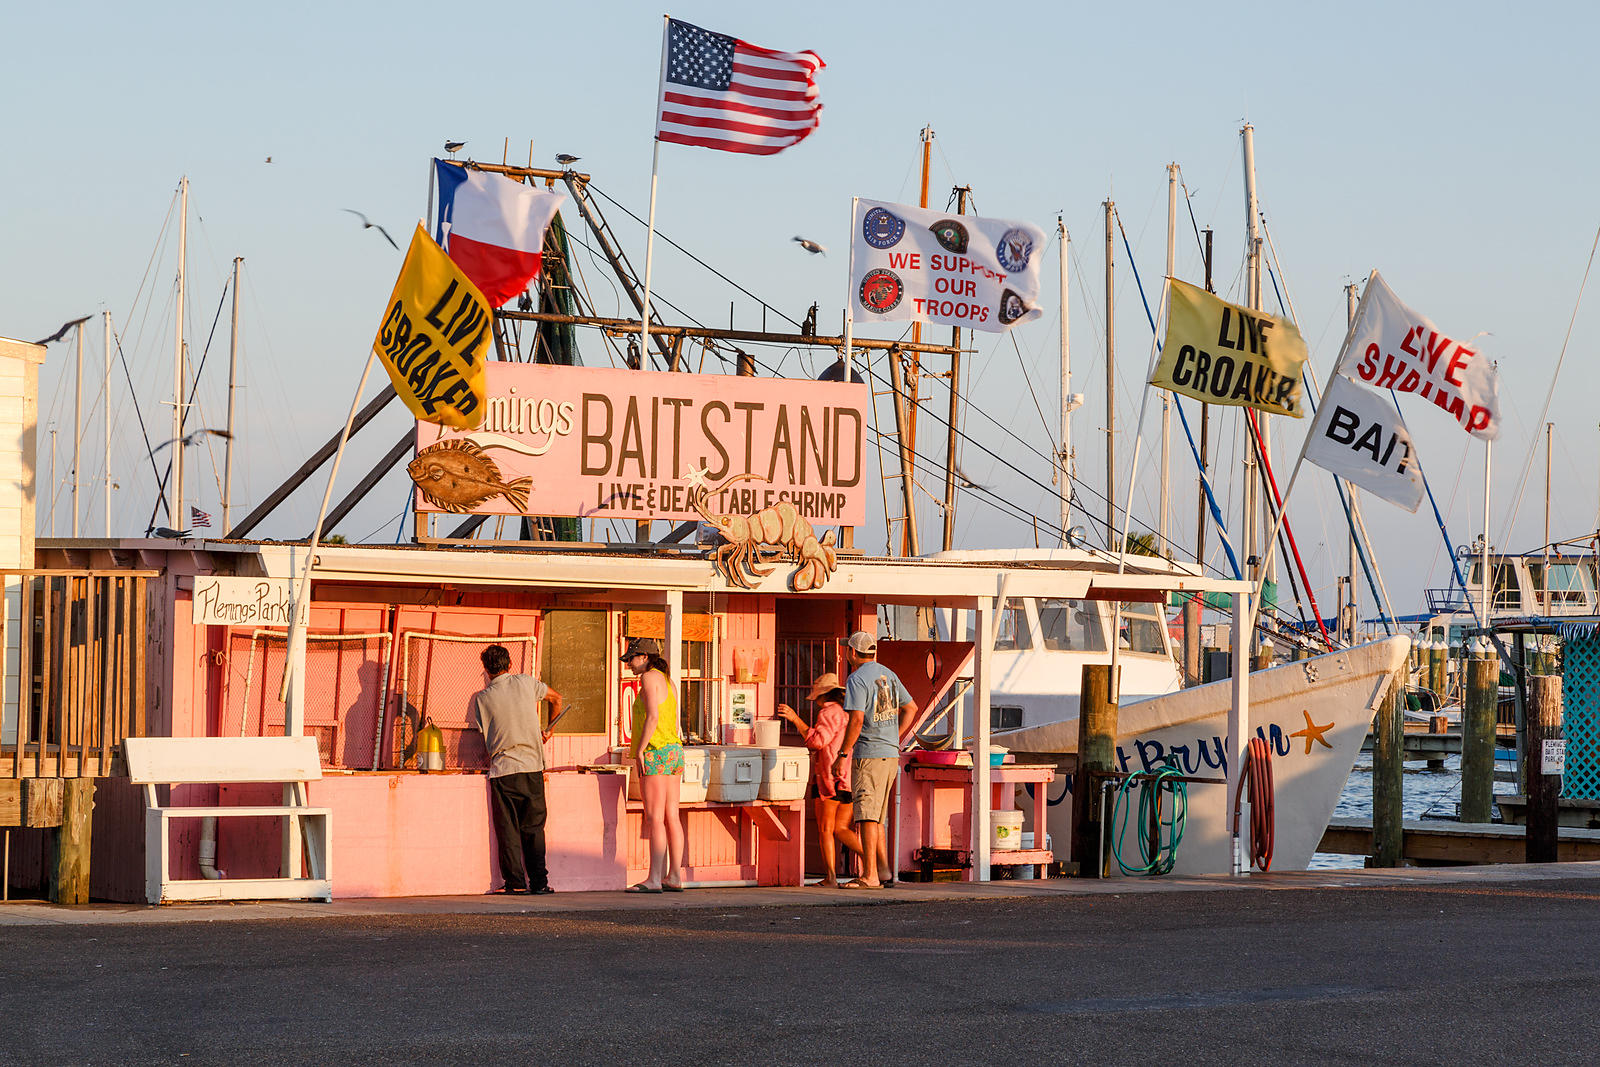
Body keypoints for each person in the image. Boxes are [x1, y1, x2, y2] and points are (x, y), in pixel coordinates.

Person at [470, 643, 563, 895]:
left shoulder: (482, 699)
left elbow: (484, 731)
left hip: (502, 770)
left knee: (507, 829)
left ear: (486, 669)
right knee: (533, 828)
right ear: (509, 664)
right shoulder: (525, 682)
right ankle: (540, 883)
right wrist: (549, 729)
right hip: (532, 766)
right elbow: (556, 698)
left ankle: (515, 883)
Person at [833, 631, 917, 889]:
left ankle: (869, 876)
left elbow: (857, 719)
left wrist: (843, 753)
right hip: (890, 754)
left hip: (869, 753)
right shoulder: (888, 674)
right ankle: (882, 871)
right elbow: (910, 707)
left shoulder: (857, 678)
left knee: (867, 816)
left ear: (852, 653)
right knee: (877, 817)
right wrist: (894, 736)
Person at [776, 673, 864, 888]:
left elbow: (817, 741)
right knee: (842, 828)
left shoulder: (828, 712)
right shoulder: (847, 712)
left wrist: (796, 719)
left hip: (829, 778)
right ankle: (875, 862)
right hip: (848, 777)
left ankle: (831, 877)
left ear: (822, 696)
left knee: (826, 829)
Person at [623, 637, 685, 893]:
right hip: (673, 749)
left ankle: (654, 879)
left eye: (632, 658)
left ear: (645, 657)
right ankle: (675, 876)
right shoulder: (668, 680)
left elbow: (652, 717)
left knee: (655, 817)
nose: (629, 664)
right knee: (672, 815)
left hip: (655, 749)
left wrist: (638, 750)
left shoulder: (648, 679)